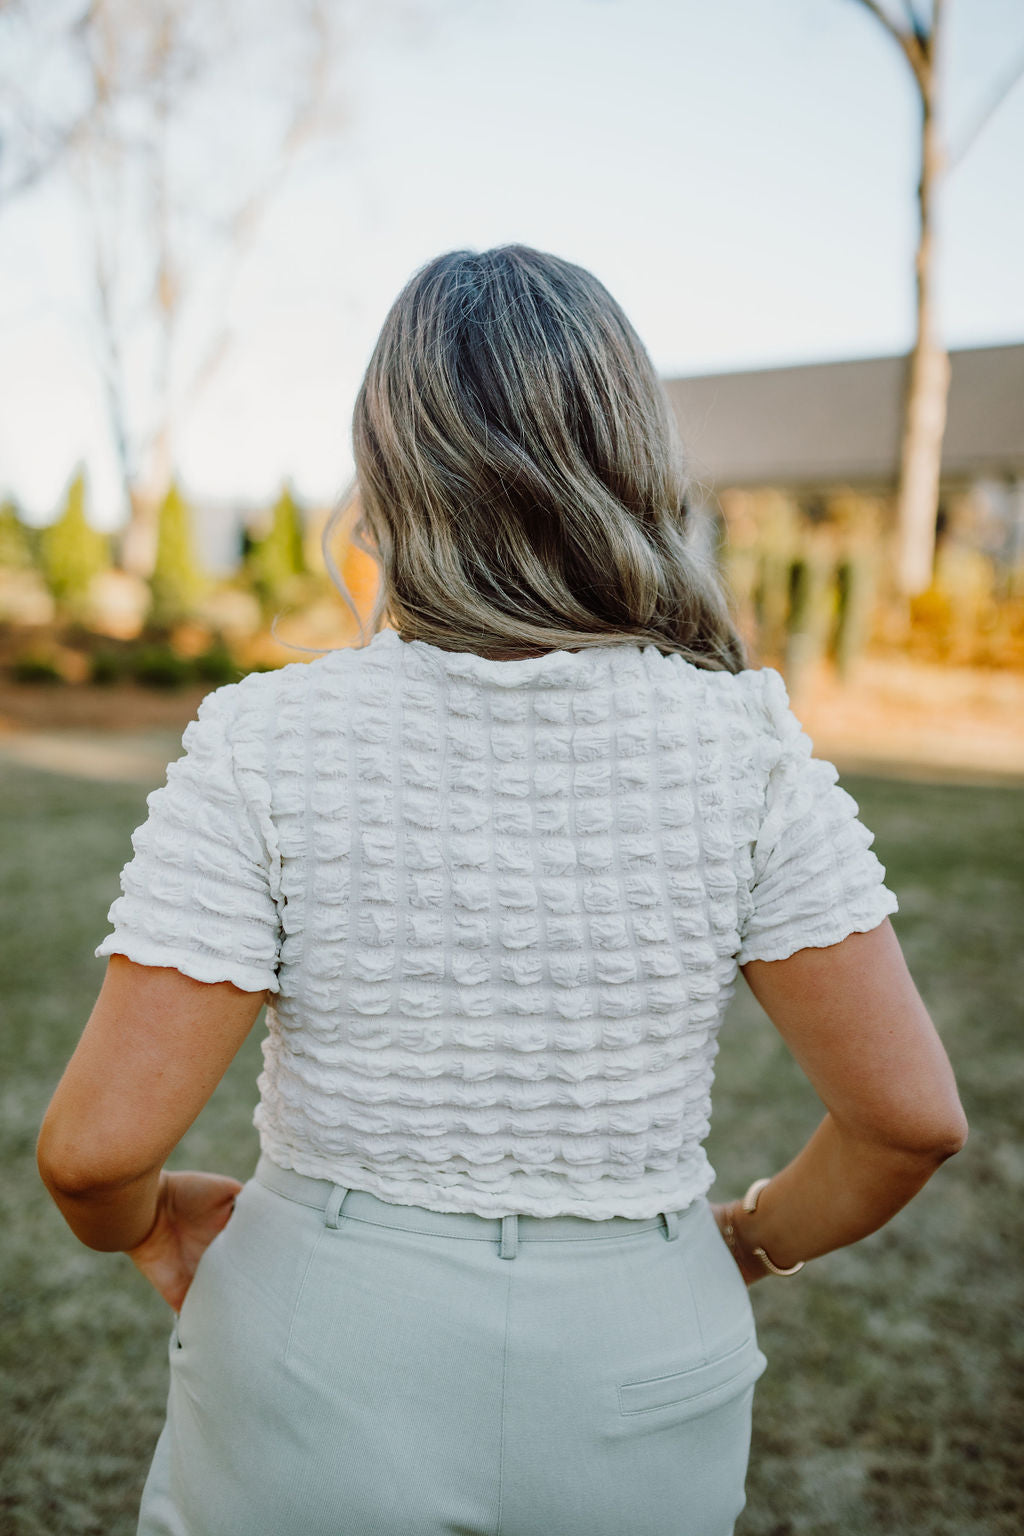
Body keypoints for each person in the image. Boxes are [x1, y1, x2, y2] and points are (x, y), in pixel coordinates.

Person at [36, 244, 968, 1536]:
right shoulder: (745, 745)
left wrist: (146, 1223)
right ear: (632, 455)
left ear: (389, 464)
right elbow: (909, 1121)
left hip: (324, 1333)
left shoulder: (268, 738)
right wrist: (745, 1243)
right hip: (647, 1337)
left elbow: (93, 1152)